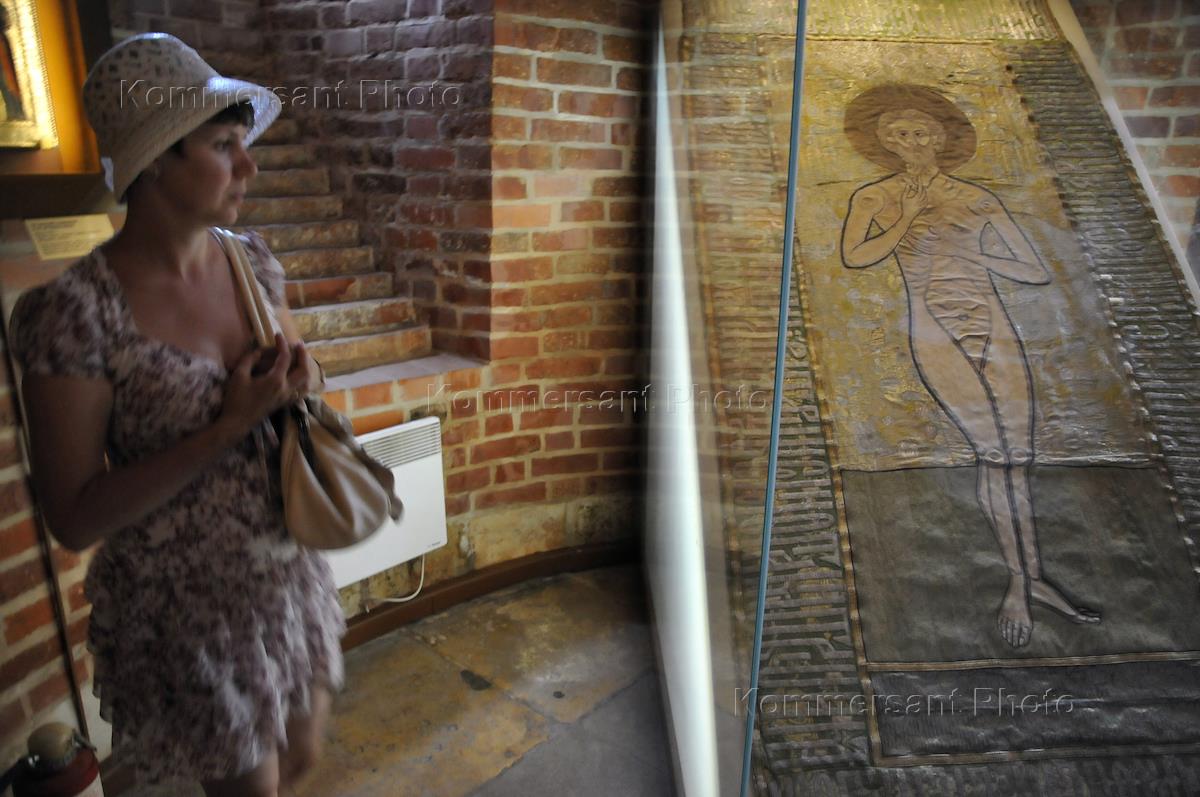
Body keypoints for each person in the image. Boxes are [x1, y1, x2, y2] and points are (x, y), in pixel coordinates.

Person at [10, 34, 342, 796]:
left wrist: (301, 377)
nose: (249, 165)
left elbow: (306, 376)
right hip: (188, 611)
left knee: (301, 755)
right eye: (224, 146)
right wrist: (225, 426)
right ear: (157, 159)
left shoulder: (251, 261)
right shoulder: (75, 313)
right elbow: (75, 517)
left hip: (285, 572)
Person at [840, 85, 1101, 649]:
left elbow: (1033, 269)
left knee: (1018, 458)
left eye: (920, 132)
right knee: (993, 454)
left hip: (993, 324)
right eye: (897, 135)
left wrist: (974, 252)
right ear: (883, 144)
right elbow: (856, 257)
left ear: (940, 138)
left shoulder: (977, 198)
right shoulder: (874, 196)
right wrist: (905, 217)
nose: (911, 142)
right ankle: (1017, 584)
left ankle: (1034, 579)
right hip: (933, 329)